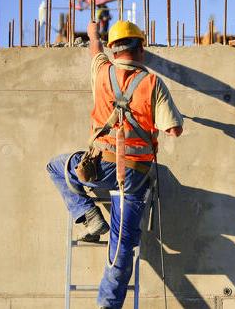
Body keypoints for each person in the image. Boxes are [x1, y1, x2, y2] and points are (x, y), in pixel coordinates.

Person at [46, 20, 184, 308]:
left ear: (112, 49)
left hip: (98, 168)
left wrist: (94, 33)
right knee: (122, 247)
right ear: (141, 49)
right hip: (134, 174)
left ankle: (88, 215)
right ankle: (107, 305)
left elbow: (94, 49)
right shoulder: (152, 83)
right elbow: (173, 130)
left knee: (56, 167)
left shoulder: (101, 72)